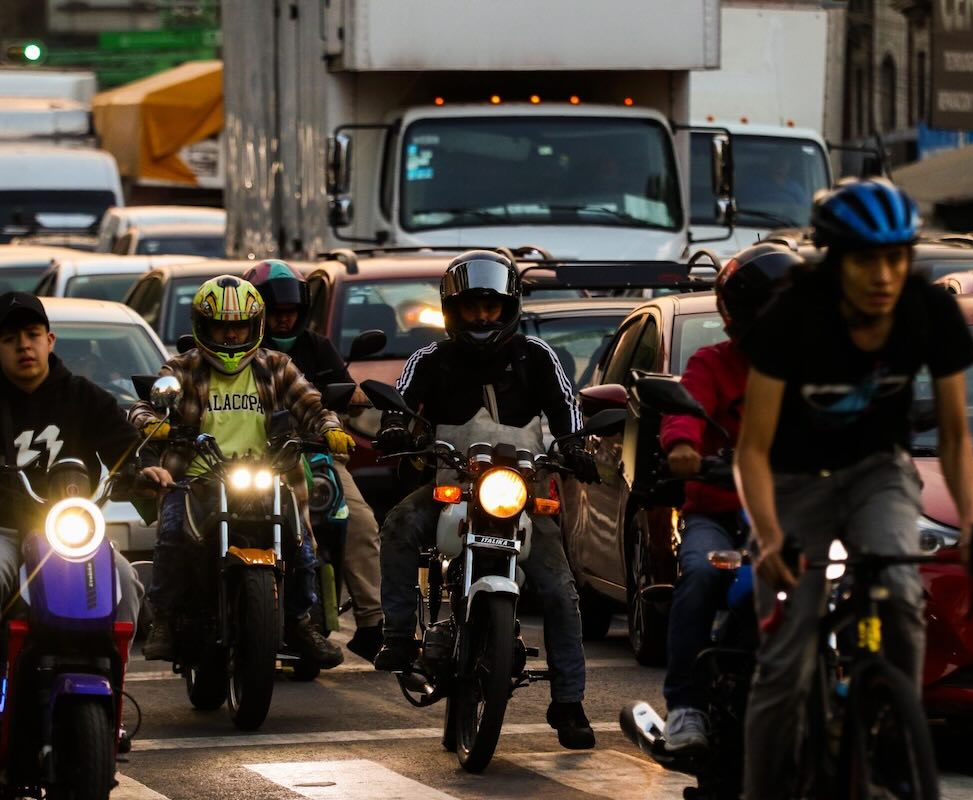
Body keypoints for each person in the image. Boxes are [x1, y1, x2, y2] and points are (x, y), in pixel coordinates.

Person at [734, 178, 973, 799]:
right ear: (834, 259)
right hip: (793, 480)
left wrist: (970, 525)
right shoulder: (792, 314)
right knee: (786, 662)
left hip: (878, 470)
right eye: (865, 260)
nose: (883, 276)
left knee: (903, 595)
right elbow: (753, 448)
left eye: (896, 258)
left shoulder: (928, 309)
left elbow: (957, 438)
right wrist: (771, 539)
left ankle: (888, 722)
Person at [0, 292, 173, 754]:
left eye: (33, 335)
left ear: (50, 339)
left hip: (68, 534)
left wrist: (146, 470)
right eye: (10, 338)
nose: (24, 346)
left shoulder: (85, 397)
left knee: (123, 580)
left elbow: (126, 447)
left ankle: (109, 698)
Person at [372, 250, 602, 749]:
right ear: (453, 309)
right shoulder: (429, 359)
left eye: (491, 307)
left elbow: (567, 409)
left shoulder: (540, 357)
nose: (482, 316)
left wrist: (577, 447)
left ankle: (569, 703)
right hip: (448, 484)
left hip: (520, 495)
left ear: (509, 307)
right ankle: (395, 634)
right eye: (473, 307)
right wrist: (393, 426)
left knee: (562, 592)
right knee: (396, 526)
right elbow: (402, 397)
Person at [129, 275, 354, 670]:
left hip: (267, 477)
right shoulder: (183, 368)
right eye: (221, 326)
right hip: (197, 479)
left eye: (239, 326)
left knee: (302, 549)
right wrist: (151, 422)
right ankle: (163, 617)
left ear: (254, 326)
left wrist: (331, 429)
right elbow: (143, 406)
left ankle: (300, 622)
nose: (231, 335)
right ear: (203, 326)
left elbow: (313, 406)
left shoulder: (277, 366)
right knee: (169, 534)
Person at [657, 243, 800, 752]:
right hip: (720, 514)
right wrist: (681, 447)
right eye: (766, 306)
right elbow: (685, 411)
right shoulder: (711, 363)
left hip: (796, 514)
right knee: (698, 576)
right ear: (736, 312)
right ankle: (685, 707)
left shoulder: (812, 366)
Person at [242, 259, 385, 662]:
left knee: (360, 520)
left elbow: (341, 400)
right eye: (275, 313)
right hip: (248, 459)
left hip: (313, 456)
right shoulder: (237, 353)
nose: (284, 321)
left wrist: (349, 403)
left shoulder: (318, 348)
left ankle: (372, 623)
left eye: (290, 313)